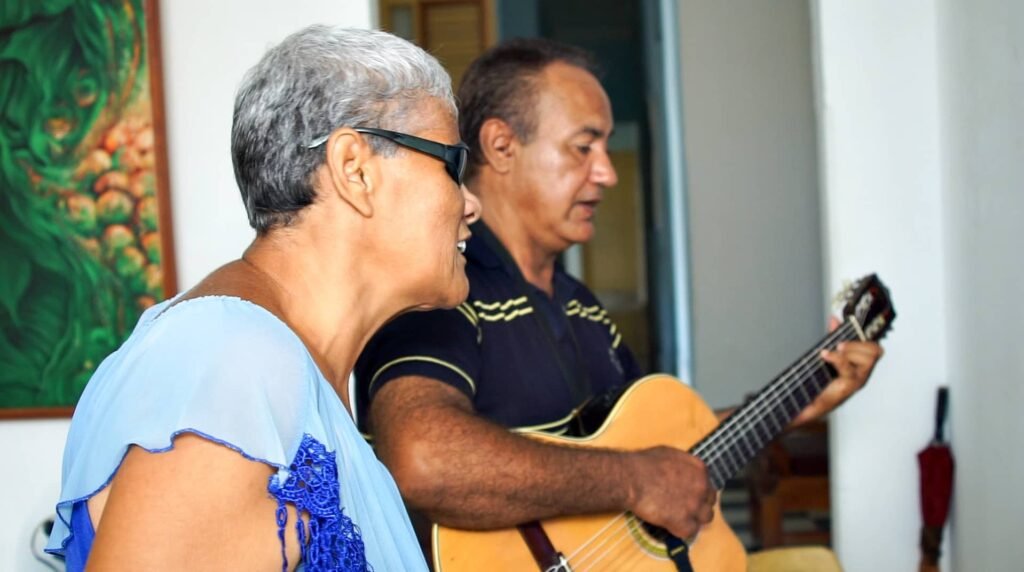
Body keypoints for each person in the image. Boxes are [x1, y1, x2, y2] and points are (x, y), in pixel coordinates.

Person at [354, 37, 883, 552]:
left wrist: (797, 403)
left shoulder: (580, 304)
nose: (607, 173)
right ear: (501, 146)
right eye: (584, 148)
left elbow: (662, 457)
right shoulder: (442, 287)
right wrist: (632, 480)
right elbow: (422, 458)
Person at [46, 25, 481, 571]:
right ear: (355, 169)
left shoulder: (279, 367)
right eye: (454, 165)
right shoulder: (229, 359)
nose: (470, 204)